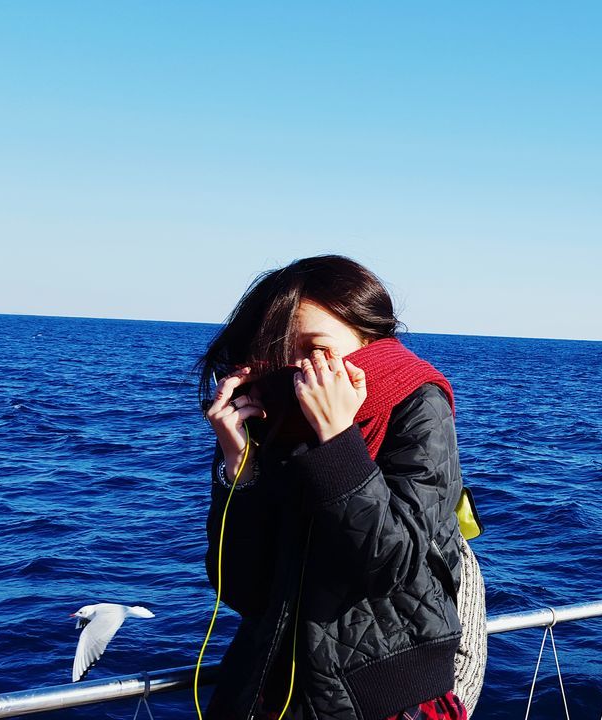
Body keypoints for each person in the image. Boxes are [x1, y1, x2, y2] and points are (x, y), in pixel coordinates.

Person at [198, 255, 467, 720]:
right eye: (279, 353)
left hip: (384, 695)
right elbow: (239, 587)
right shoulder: (275, 421)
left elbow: (390, 564)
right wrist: (239, 465)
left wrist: (338, 442)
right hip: (267, 687)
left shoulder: (416, 405)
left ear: (369, 340)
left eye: (316, 348)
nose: (297, 369)